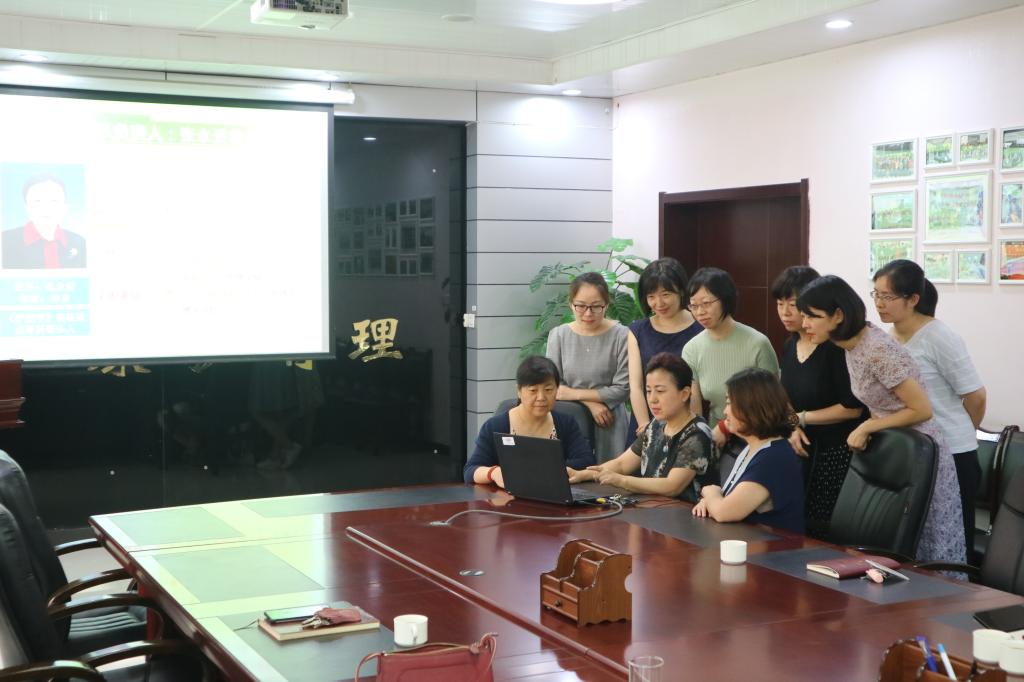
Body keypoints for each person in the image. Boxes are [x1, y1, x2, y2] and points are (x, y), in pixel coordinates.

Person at [797, 274, 966, 565]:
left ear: (838, 315)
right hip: (894, 445)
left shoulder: (877, 350)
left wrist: (869, 425)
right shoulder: (850, 345)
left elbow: (921, 410)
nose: (805, 324)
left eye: (812, 317)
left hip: (919, 452)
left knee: (927, 548)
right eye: (804, 316)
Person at [873, 259, 987, 559]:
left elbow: (976, 396)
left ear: (913, 299)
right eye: (876, 295)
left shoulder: (939, 337)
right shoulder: (888, 338)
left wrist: (961, 434)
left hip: (953, 451)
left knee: (953, 535)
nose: (879, 303)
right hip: (914, 448)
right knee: (916, 535)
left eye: (887, 296)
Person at [773, 266, 864, 538]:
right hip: (801, 449)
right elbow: (784, 395)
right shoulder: (790, 345)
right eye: (779, 304)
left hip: (837, 451)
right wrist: (792, 426)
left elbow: (852, 407)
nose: (785, 312)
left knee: (826, 531)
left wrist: (800, 419)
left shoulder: (835, 348)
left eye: (793, 305)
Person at [568, 353, 716, 502]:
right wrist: (583, 474)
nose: (652, 399)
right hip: (654, 508)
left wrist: (622, 480)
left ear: (684, 394)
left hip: (686, 513)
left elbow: (672, 486)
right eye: (649, 391)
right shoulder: (656, 425)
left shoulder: (697, 434)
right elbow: (622, 464)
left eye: (660, 391)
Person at [692, 368, 805, 534]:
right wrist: (711, 502)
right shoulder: (754, 448)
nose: (725, 411)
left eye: (730, 403)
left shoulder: (774, 458)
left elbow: (724, 512)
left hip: (775, 548)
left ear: (752, 407)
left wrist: (709, 493)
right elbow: (727, 501)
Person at [682, 267, 779, 450]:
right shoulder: (692, 349)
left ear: (725, 299)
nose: (700, 312)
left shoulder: (757, 343)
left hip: (758, 436)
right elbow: (694, 410)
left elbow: (771, 401)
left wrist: (725, 427)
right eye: (693, 306)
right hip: (716, 440)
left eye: (706, 303)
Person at [464, 355, 595, 487]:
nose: (541, 397)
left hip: (554, 494)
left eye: (548, 390)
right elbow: (470, 471)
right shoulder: (495, 426)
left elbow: (586, 462)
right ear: (519, 391)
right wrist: (493, 472)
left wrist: (536, 470)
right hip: (507, 497)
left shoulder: (566, 423)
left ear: (557, 390)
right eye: (533, 390)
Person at [546, 272, 630, 462]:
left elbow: (623, 389)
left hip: (609, 420)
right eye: (581, 306)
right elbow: (553, 386)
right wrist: (590, 403)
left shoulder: (622, 335)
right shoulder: (558, 335)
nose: (588, 313)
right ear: (571, 304)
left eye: (596, 306)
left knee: (610, 474)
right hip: (568, 418)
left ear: (606, 304)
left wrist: (572, 393)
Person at [626, 258, 703, 443]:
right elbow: (636, 386)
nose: (658, 303)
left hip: (685, 425)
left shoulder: (700, 328)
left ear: (681, 291)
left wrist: (691, 432)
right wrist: (645, 427)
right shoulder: (637, 330)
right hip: (645, 424)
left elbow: (695, 388)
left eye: (666, 294)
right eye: (651, 296)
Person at [2, 173, 87, 269]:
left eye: (54, 201)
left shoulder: (79, 243)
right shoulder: (5, 241)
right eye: (37, 201)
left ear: (64, 207)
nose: (46, 208)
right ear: (26, 207)